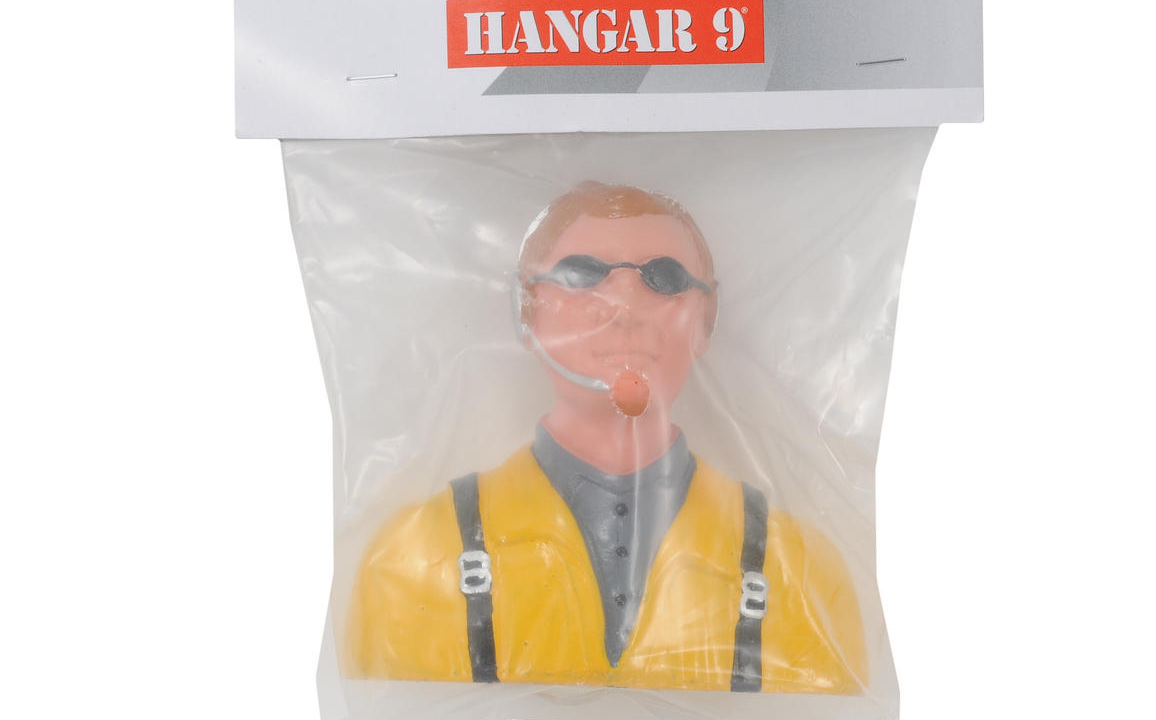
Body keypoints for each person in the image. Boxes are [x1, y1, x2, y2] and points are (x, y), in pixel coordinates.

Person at [346, 182, 867, 693]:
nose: (624, 306)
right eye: (581, 274)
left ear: (706, 320)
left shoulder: (801, 575)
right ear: (525, 311)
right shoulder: (412, 560)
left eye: (664, 278)